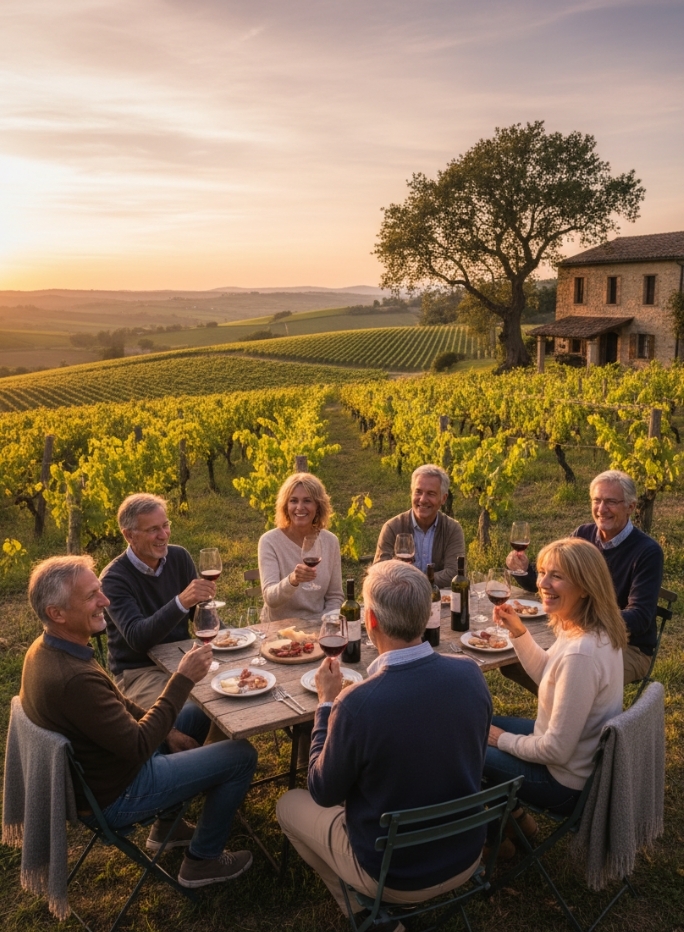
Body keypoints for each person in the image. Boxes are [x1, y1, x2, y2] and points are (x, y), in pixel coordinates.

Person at [20, 556, 257, 888]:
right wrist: (182, 679)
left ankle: (168, 829)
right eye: (91, 597)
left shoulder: (50, 649)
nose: (104, 601)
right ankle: (202, 861)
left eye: (99, 591)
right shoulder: (71, 678)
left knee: (201, 711)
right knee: (241, 755)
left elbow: (119, 706)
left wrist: (170, 729)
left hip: (104, 770)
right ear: (56, 613)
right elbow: (139, 746)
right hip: (119, 792)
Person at [276, 560, 492, 922]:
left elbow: (322, 791)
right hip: (467, 854)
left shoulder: (356, 703)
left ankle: (364, 912)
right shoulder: (471, 674)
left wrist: (326, 703)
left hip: (395, 873)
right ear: (426, 615)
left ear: (371, 620)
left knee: (288, 804)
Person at [484, 538, 626, 839]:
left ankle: (490, 839)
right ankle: (515, 825)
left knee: (466, 747)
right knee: (476, 725)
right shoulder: (586, 628)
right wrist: (518, 631)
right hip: (575, 760)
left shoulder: (582, 655)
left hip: (564, 783)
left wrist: (503, 740)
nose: (543, 583)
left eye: (557, 576)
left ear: (586, 587)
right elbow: (550, 674)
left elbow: (556, 751)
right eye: (542, 572)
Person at [505, 469, 663, 688]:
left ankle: (579, 709)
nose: (601, 509)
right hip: (576, 632)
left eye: (611, 502)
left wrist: (586, 623)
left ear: (631, 507)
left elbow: (639, 617)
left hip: (627, 647)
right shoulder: (583, 535)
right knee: (514, 660)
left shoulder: (647, 552)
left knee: (563, 673)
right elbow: (555, 585)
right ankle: (561, 702)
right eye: (596, 500)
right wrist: (524, 571)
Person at [101, 493, 217, 708]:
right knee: (192, 709)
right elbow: (138, 638)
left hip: (181, 659)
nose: (163, 535)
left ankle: (205, 742)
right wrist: (181, 602)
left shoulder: (179, 557)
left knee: (227, 695)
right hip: (139, 672)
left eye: (165, 525)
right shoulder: (114, 579)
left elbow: (201, 617)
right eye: (153, 529)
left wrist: (231, 635)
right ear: (129, 536)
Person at [258, 472, 344, 625]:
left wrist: (326, 624)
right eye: (293, 501)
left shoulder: (330, 541)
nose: (299, 507)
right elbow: (270, 598)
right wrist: (293, 580)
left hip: (319, 626)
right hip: (280, 629)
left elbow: (335, 596)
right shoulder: (269, 541)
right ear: (285, 506)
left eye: (307, 501)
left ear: (318, 506)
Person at [374, 464, 465, 587]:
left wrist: (410, 579)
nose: (422, 499)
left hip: (437, 601)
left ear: (443, 498)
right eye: (418, 492)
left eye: (431, 493)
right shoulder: (392, 527)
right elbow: (378, 574)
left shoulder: (452, 529)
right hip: (400, 601)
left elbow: (454, 573)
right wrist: (428, 580)